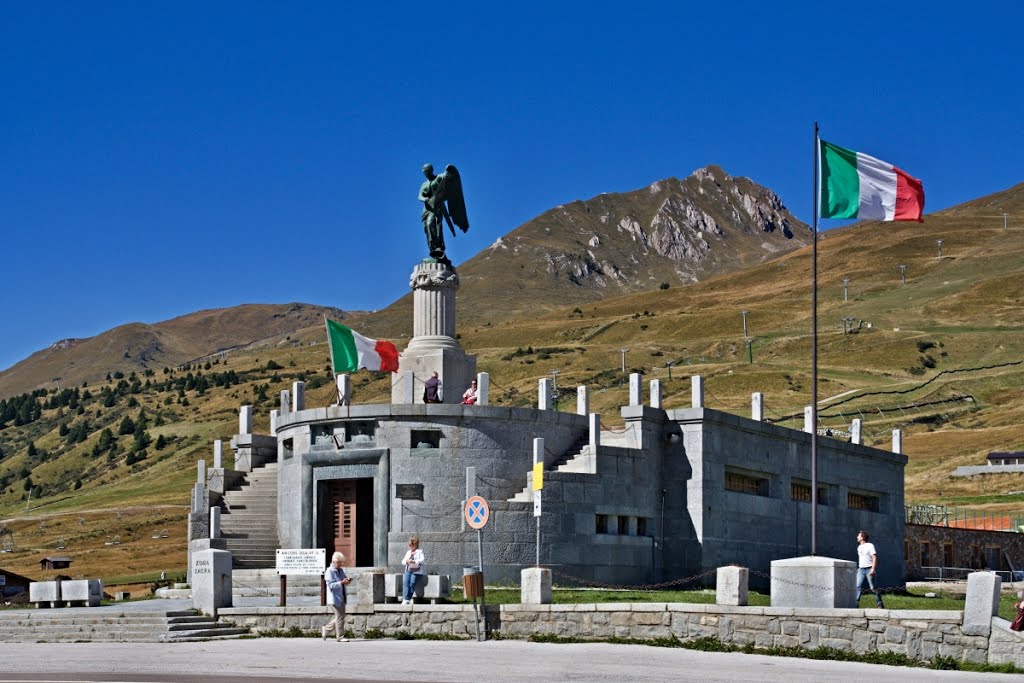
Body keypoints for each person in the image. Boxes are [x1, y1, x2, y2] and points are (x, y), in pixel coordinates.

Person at [322, 551, 352, 641]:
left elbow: (343, 579)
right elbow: (330, 585)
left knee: (341, 616)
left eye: (342, 562)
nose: (341, 564)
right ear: (334, 562)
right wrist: (341, 582)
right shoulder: (329, 571)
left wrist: (347, 580)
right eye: (340, 562)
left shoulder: (340, 570)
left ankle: (326, 629)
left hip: (342, 596)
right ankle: (340, 637)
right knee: (339, 616)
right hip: (334, 598)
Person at [855, 530, 885, 608]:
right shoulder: (859, 547)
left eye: (858, 536)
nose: (857, 537)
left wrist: (873, 569)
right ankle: (855, 604)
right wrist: (859, 568)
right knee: (857, 586)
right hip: (861, 570)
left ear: (862, 537)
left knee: (873, 588)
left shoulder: (870, 545)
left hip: (869, 569)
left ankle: (880, 604)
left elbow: (874, 557)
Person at [401, 536, 426, 605]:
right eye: (409, 544)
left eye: (411, 544)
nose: (410, 546)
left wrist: (414, 561)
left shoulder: (419, 551)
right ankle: (405, 599)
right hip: (408, 570)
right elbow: (402, 562)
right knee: (405, 584)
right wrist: (407, 561)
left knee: (412, 583)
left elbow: (422, 560)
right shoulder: (408, 552)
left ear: (415, 544)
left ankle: (407, 598)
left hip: (416, 571)